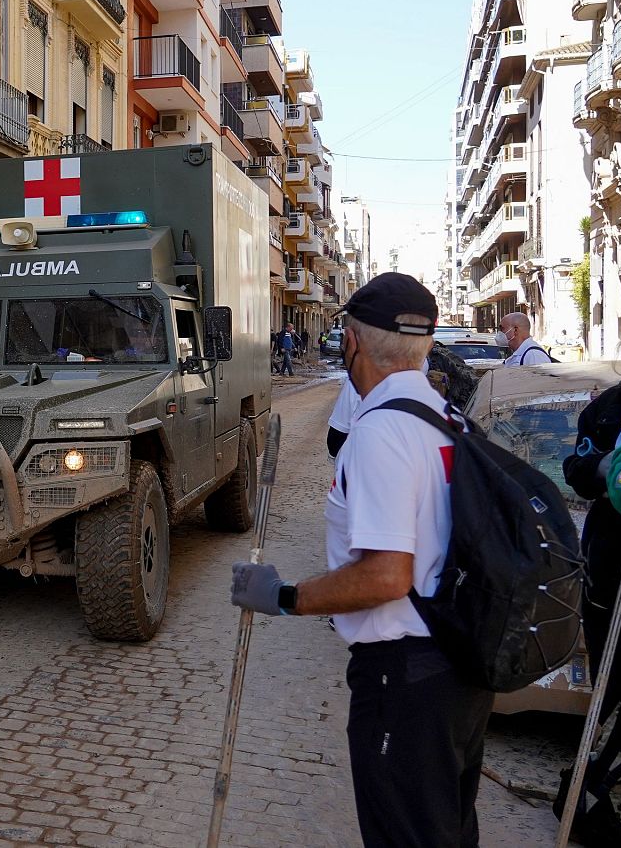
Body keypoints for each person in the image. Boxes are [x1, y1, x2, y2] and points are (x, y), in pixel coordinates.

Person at [232, 273, 494, 846]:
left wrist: (282, 596)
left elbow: (386, 575)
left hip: (404, 676)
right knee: (446, 831)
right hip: (457, 667)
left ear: (350, 341)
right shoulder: (447, 418)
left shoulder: (380, 432)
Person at [557, 301, 621, 846]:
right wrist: (610, 460)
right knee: (611, 686)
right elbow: (579, 469)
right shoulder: (608, 408)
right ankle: (595, 793)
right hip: (614, 570)